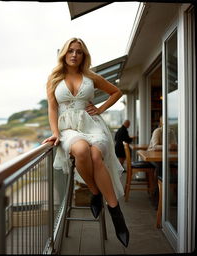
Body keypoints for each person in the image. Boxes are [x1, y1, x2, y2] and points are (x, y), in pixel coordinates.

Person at [42, 37, 129, 247]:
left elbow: (117, 92)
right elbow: (52, 108)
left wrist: (100, 109)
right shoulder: (54, 78)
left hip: (93, 125)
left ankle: (116, 214)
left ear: (84, 55)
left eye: (78, 52)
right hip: (68, 129)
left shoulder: (90, 76)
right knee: (81, 150)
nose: (74, 55)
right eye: (70, 51)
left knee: (96, 155)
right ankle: (95, 192)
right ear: (64, 53)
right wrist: (55, 133)